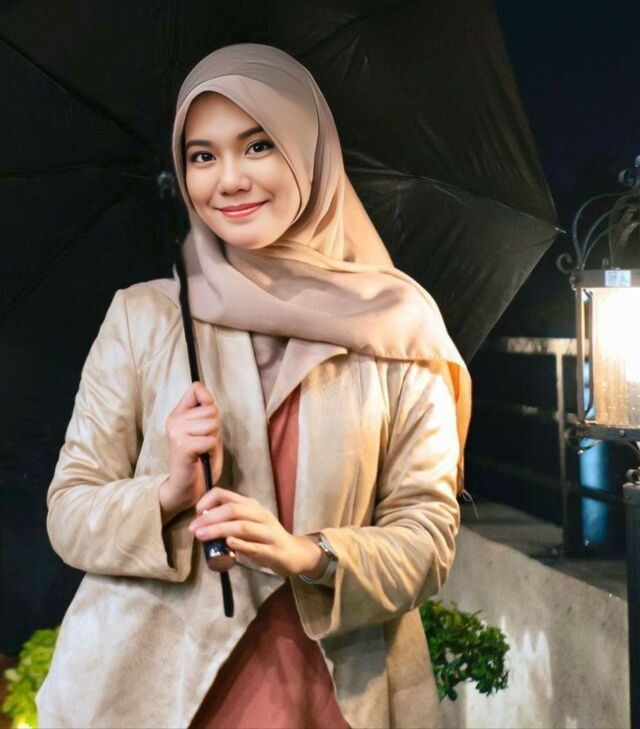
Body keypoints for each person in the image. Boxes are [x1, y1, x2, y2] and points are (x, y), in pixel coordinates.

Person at [36, 43, 471, 729]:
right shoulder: (146, 316)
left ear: (309, 152)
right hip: (152, 695)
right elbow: (69, 512)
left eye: (258, 145)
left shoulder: (397, 325)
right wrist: (168, 490)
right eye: (201, 155)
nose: (229, 179)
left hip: (332, 694)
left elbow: (427, 536)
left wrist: (309, 553)